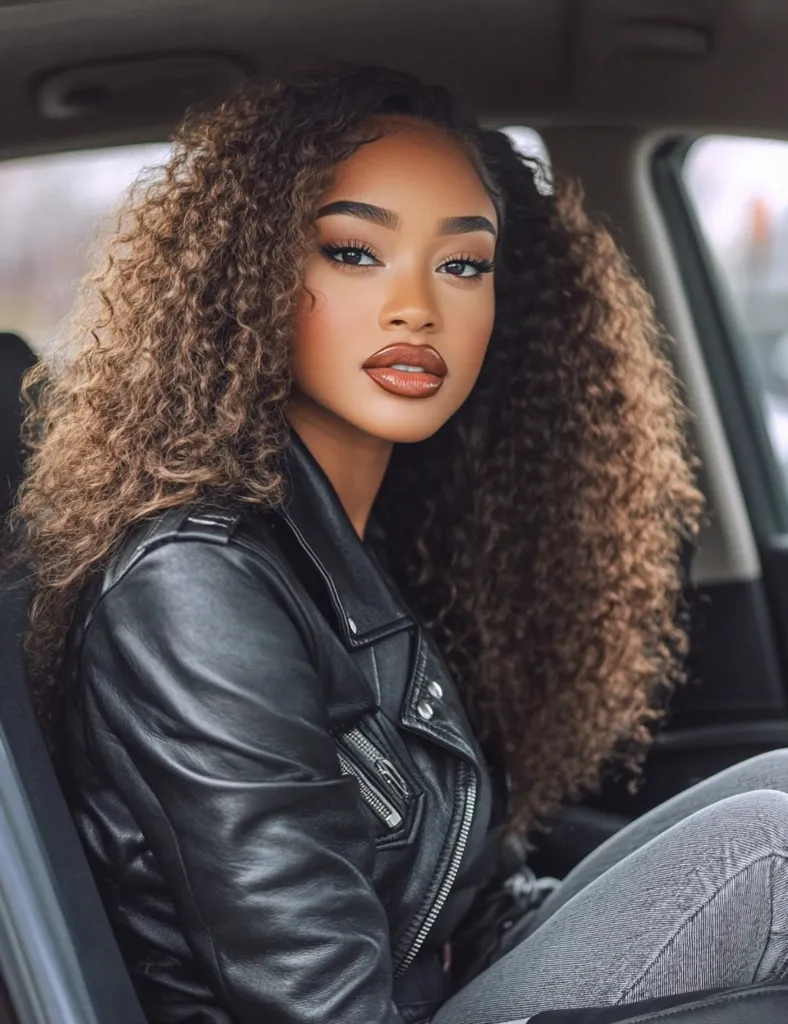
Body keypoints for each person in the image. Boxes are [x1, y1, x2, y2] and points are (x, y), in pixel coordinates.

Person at [7, 63, 788, 1024]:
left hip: (453, 982)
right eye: (352, 251)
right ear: (249, 276)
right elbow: (322, 1007)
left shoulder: (355, 534)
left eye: (462, 264)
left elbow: (462, 898)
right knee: (769, 849)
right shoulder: (193, 585)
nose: (417, 304)